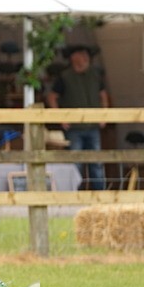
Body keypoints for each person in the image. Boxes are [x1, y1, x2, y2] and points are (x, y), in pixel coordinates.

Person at [45, 44, 110, 191]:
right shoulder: (64, 77)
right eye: (81, 54)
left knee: (96, 163)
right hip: (74, 127)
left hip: (93, 126)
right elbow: (52, 97)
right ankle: (75, 195)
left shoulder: (95, 75)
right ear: (73, 57)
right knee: (75, 164)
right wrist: (60, 117)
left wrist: (104, 114)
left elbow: (103, 95)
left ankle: (100, 195)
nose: (85, 57)